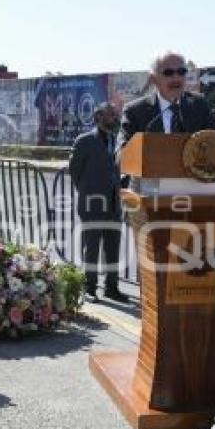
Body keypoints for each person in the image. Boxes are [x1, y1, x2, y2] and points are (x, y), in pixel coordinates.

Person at [69, 102, 128, 303]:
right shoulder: (84, 141)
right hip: (92, 204)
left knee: (113, 248)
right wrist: (88, 191)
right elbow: (75, 171)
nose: (114, 117)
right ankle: (90, 288)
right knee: (92, 248)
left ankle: (112, 288)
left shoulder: (117, 140)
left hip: (113, 204)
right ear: (98, 117)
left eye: (115, 114)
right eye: (110, 114)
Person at [116, 51, 215, 153]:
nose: (176, 78)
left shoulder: (199, 105)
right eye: (168, 73)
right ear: (153, 79)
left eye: (181, 72)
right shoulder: (135, 112)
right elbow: (122, 156)